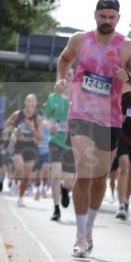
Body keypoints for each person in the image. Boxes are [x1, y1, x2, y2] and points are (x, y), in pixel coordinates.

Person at [56, 0, 131, 258]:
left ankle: (89, 230)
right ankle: (79, 236)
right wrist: (62, 79)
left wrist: (128, 76)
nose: (106, 21)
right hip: (80, 114)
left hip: (110, 119)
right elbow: (64, 60)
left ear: (118, 18)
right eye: (102, 16)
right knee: (84, 173)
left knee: (99, 178)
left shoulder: (128, 47)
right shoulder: (79, 40)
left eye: (111, 17)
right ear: (95, 15)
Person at [4, 94, 42, 207]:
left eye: (33, 101)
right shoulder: (17, 114)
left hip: (31, 147)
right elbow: (7, 124)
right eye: (28, 101)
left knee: (27, 176)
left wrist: (32, 128)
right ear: (25, 102)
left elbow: (39, 137)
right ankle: (14, 184)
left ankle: (20, 198)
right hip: (19, 145)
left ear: (35, 104)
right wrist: (14, 130)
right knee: (20, 168)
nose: (30, 103)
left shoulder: (37, 119)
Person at [45, 84, 75, 222]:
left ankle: (64, 189)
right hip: (55, 141)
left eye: (71, 75)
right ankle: (56, 208)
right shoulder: (54, 98)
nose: (68, 79)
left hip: (71, 143)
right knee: (56, 173)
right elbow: (45, 117)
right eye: (66, 76)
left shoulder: (78, 98)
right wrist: (49, 125)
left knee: (69, 182)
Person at [114, 90, 131, 220]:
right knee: (124, 166)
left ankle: (126, 200)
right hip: (123, 135)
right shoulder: (124, 95)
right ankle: (120, 205)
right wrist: (120, 115)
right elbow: (117, 113)